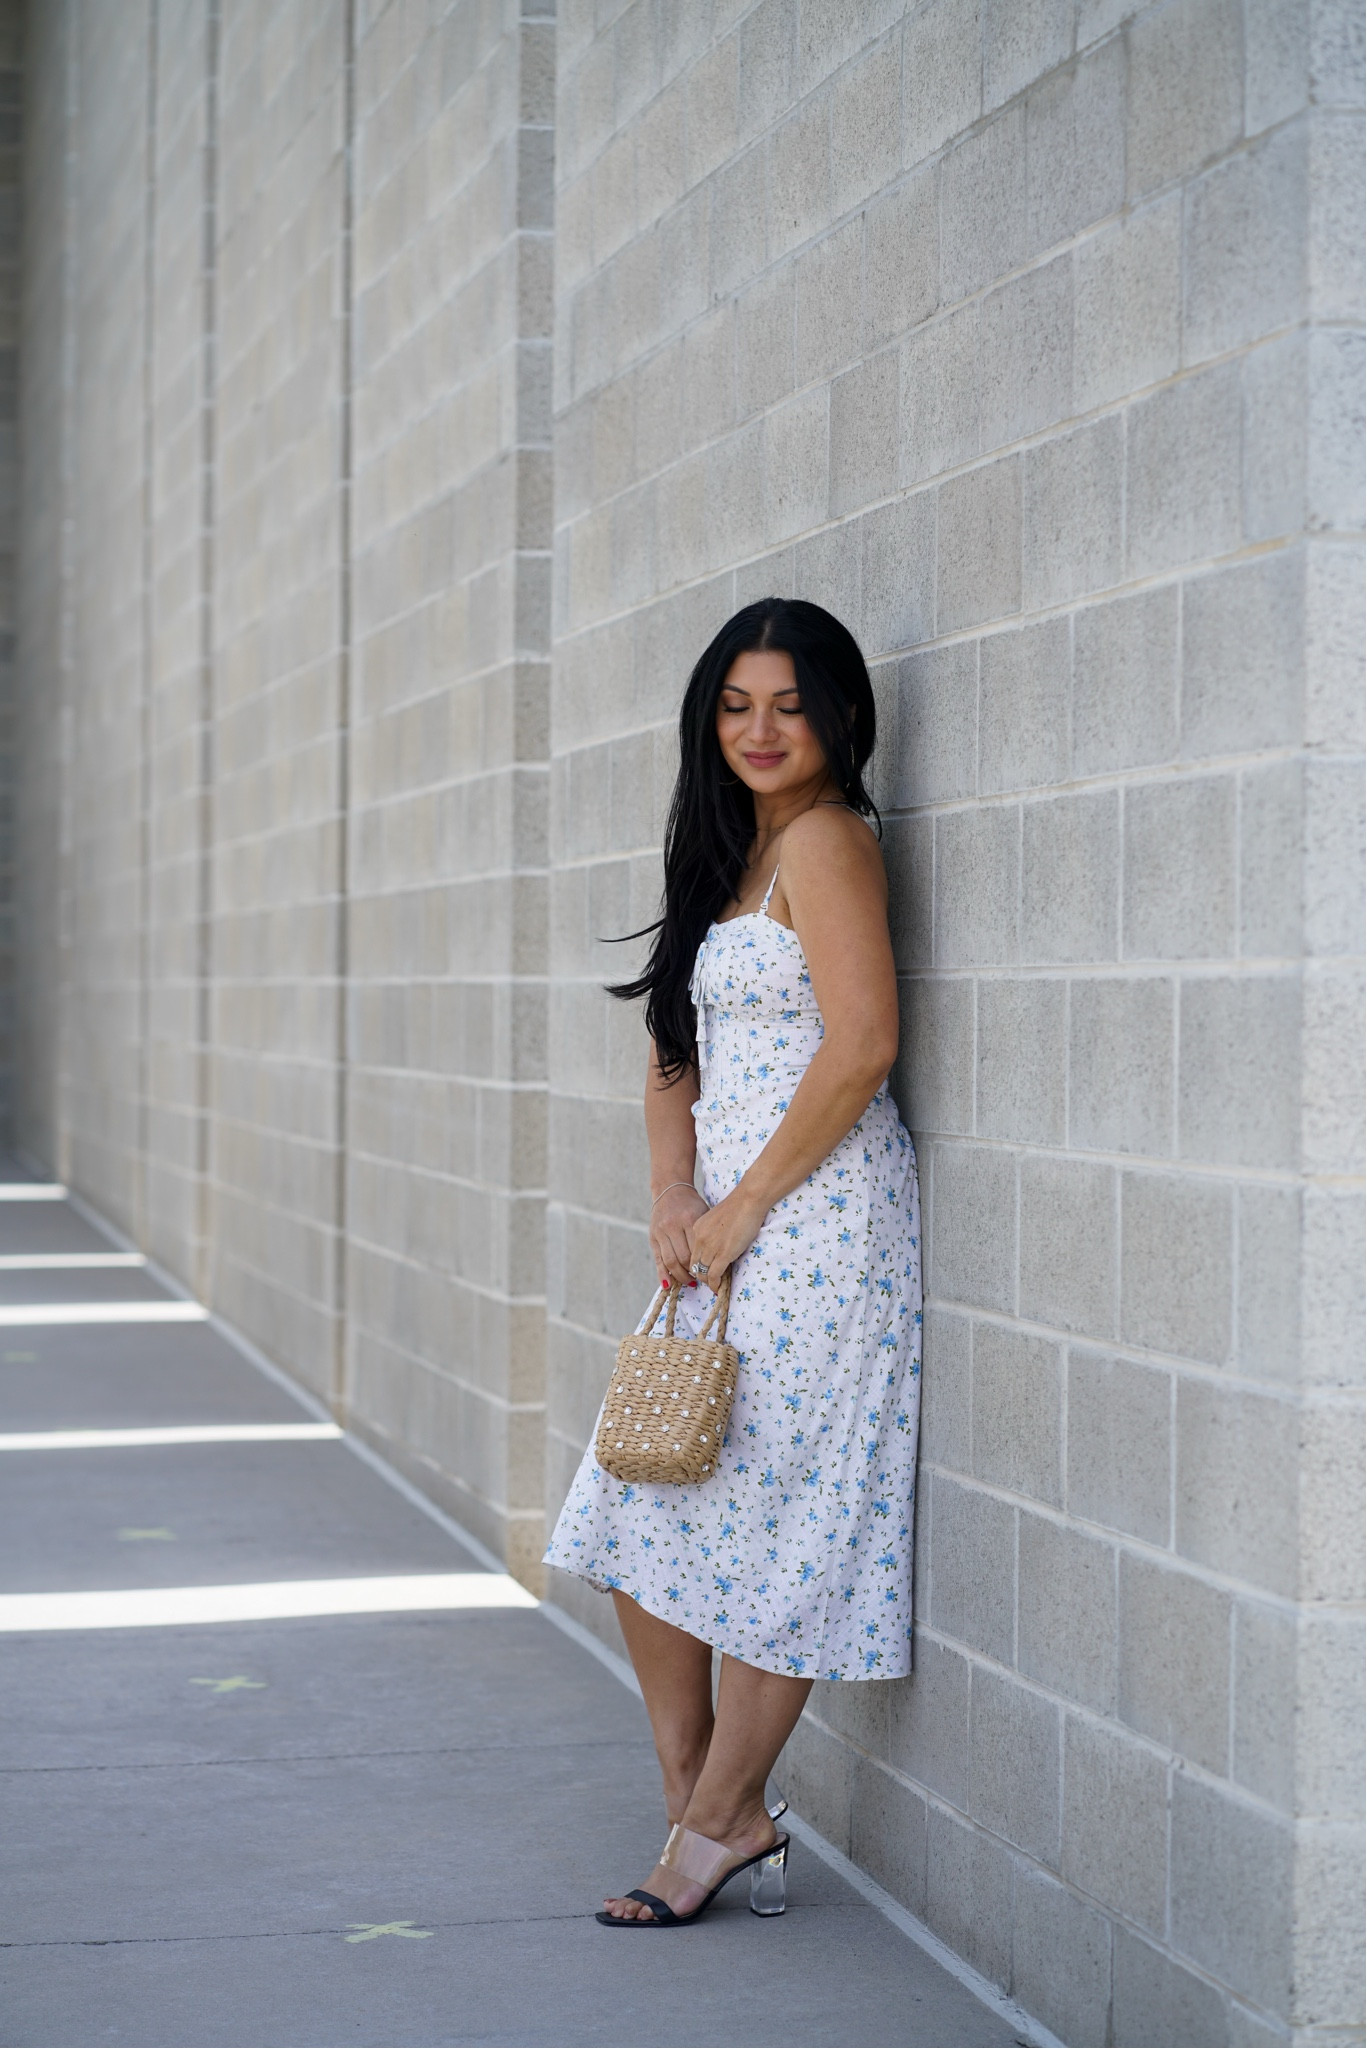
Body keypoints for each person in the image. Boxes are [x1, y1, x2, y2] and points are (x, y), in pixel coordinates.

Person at [544, 597, 923, 1928]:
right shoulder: (724, 847)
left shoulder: (826, 843)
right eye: (735, 704)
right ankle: (705, 1798)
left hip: (815, 1221)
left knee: (784, 1513)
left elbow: (863, 1043)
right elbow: (669, 1045)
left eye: (790, 703)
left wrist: (748, 1200)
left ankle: (707, 1827)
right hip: (715, 1228)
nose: (762, 730)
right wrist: (670, 1188)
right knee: (637, 1498)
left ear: (839, 716)